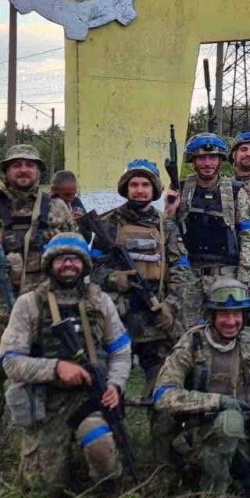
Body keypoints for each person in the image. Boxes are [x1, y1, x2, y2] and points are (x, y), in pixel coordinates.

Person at [0, 144, 76, 451]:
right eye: (17, 164)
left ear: (38, 171)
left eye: (30, 165)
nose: (24, 170)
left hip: (44, 300)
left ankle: (43, 430)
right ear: (7, 170)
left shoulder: (56, 207)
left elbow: (76, 248)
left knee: (46, 363)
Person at [0, 232, 131, 497]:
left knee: (101, 448)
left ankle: (103, 486)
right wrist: (56, 368)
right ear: (50, 264)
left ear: (84, 264)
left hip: (89, 397)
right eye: (61, 259)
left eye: (74, 259)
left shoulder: (100, 301)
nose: (68, 264)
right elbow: (11, 361)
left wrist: (115, 385)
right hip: (46, 399)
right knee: (43, 489)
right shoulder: (29, 303)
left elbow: (120, 351)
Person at [152, 278, 250, 498]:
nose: (231, 321)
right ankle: (213, 495)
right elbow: (163, 395)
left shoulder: (248, 346)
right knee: (229, 421)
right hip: (196, 436)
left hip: (239, 436)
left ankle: (236, 475)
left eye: (237, 314)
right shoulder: (192, 342)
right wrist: (217, 402)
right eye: (224, 314)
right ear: (212, 315)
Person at [88, 160, 190, 401]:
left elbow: (181, 271)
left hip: (156, 313)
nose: (140, 190)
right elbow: (92, 268)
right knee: (108, 377)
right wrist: (113, 278)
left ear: (154, 189)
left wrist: (170, 306)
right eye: (134, 185)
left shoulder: (166, 226)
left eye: (145, 185)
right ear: (126, 188)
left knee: (163, 378)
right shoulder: (108, 223)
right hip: (118, 314)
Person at [175, 133, 250, 329]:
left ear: (220, 160)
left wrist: (243, 279)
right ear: (193, 161)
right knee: (187, 332)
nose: (207, 163)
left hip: (226, 275)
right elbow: (169, 234)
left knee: (226, 329)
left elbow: (248, 236)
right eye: (202, 158)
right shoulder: (181, 190)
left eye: (212, 157)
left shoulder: (235, 192)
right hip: (190, 275)